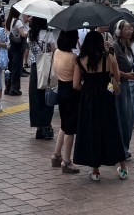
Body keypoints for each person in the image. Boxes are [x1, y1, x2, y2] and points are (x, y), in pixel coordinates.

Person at [73, 30, 128, 181]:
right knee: (112, 130)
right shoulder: (109, 58)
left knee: (92, 131)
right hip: (106, 97)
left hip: (88, 99)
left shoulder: (80, 60)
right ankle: (123, 168)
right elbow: (117, 78)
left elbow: (76, 85)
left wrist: (87, 88)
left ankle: (96, 171)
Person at [50, 29, 81, 173]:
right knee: (70, 129)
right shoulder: (74, 58)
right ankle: (67, 161)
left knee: (64, 124)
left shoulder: (56, 52)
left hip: (61, 89)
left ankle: (56, 155)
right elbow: (76, 84)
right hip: (71, 93)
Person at [112, 20, 134, 160]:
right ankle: (121, 149)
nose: (129, 31)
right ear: (119, 31)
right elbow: (113, 68)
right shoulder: (115, 46)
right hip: (119, 85)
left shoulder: (127, 45)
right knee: (122, 118)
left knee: (128, 118)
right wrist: (127, 75)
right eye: (126, 29)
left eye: (130, 29)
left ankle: (125, 147)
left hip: (127, 84)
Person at [27, 15, 55, 140]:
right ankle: (46, 126)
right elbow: (54, 50)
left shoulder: (31, 34)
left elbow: (32, 50)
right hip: (46, 67)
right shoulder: (48, 34)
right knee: (47, 96)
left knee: (36, 97)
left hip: (35, 67)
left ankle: (39, 127)